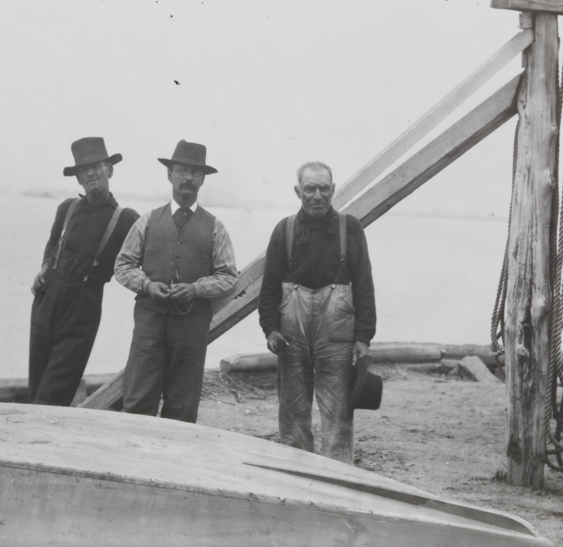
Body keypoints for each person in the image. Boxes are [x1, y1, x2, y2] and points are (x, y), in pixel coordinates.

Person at [258, 161, 376, 462]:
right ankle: (296, 477)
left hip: (337, 336)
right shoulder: (283, 230)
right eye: (310, 188)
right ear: (298, 191)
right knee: (293, 414)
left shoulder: (350, 228)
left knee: (338, 414)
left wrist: (362, 339)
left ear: (333, 190)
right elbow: (270, 287)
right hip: (291, 335)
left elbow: (364, 285)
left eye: (324, 188)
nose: (317, 195)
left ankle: (338, 483)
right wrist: (271, 330)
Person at [115, 140, 238, 423]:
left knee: (182, 407)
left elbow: (229, 276)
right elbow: (122, 265)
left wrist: (195, 289)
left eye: (195, 172)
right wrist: (146, 285)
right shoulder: (147, 221)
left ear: (203, 179)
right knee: (137, 400)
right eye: (182, 170)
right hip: (149, 323)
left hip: (191, 329)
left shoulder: (215, 227)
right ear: (169, 175)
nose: (188, 177)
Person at [29, 137, 139, 406]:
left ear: (109, 170)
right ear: (78, 179)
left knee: (53, 394)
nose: (90, 172)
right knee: (36, 385)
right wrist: (45, 267)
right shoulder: (67, 208)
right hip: (46, 302)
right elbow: (53, 243)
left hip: (83, 309)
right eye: (83, 169)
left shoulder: (127, 220)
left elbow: (143, 262)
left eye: (96, 166)